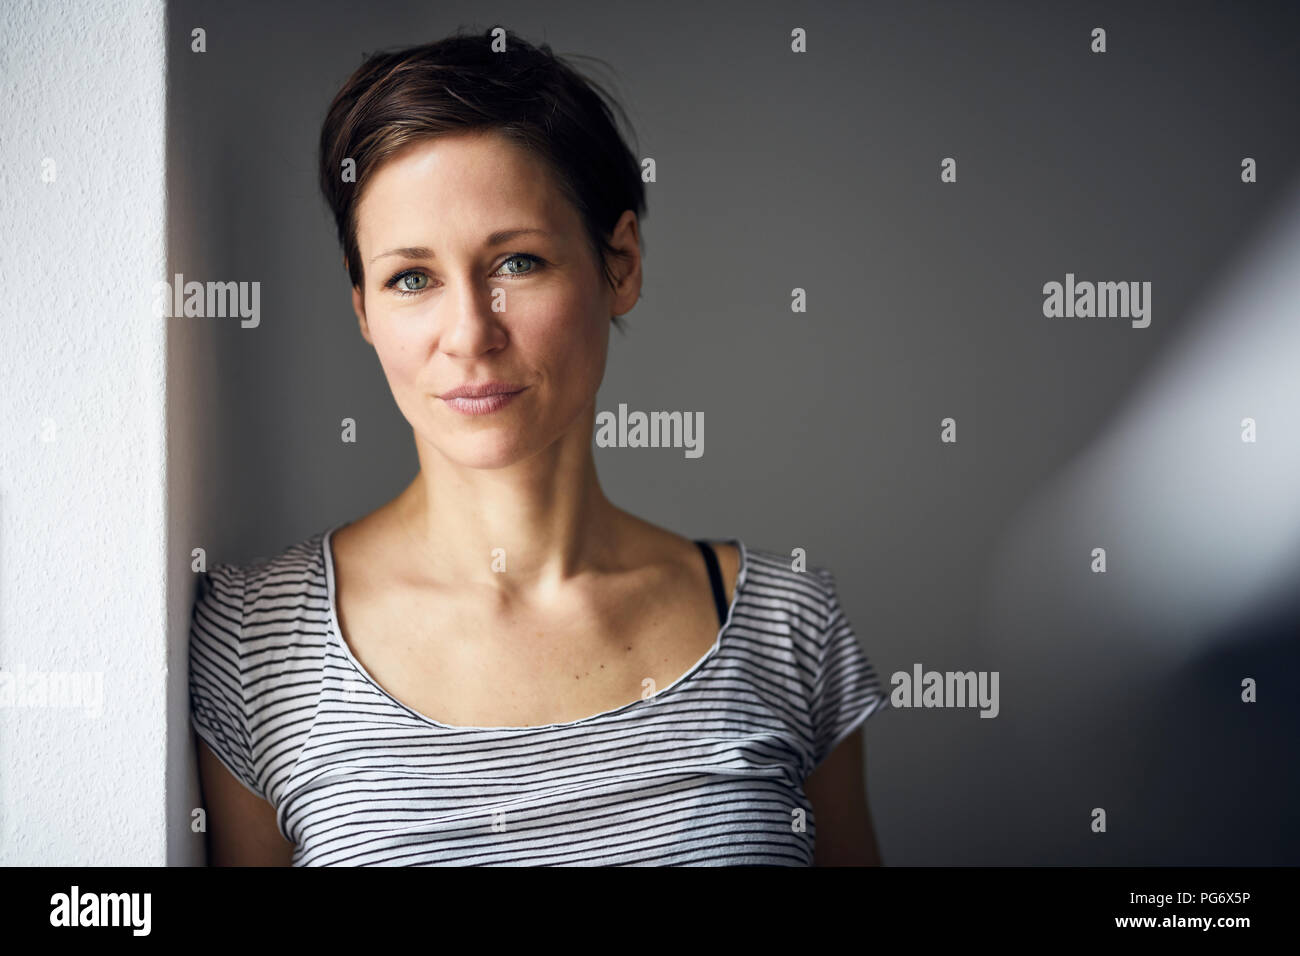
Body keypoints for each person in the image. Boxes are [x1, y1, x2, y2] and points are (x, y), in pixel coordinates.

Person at [189, 28, 888, 866]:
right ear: (363, 306)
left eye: (517, 261)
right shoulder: (252, 639)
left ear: (619, 262)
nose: (470, 334)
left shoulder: (786, 624)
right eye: (411, 277)